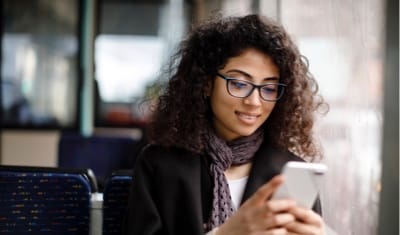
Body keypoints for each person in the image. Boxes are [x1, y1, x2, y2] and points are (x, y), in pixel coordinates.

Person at [123, 14, 327, 235]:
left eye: (269, 89)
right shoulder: (160, 165)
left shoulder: (291, 173)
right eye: (239, 84)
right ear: (206, 84)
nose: (254, 101)